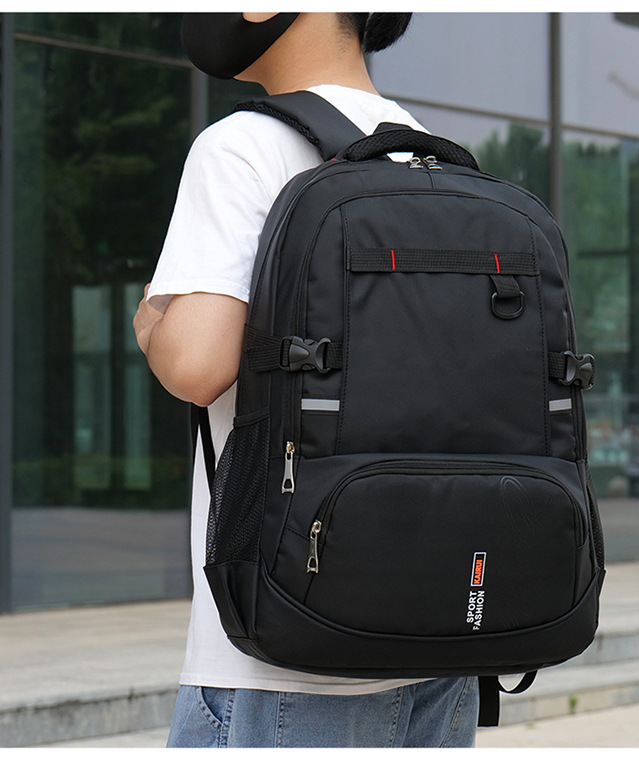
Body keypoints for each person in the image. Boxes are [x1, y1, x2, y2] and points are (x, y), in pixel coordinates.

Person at [133, 12, 480, 749]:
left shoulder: (243, 147)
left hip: (286, 659)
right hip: (443, 645)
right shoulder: (437, 159)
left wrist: (150, 319)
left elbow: (197, 364)